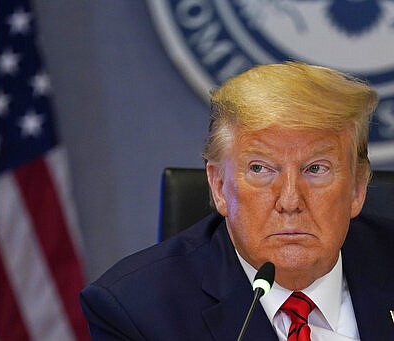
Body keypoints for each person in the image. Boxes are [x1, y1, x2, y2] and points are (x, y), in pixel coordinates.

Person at [80, 62, 394, 340]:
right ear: (219, 187)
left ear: (356, 188)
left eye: (315, 169)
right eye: (260, 169)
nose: (289, 200)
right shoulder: (140, 312)